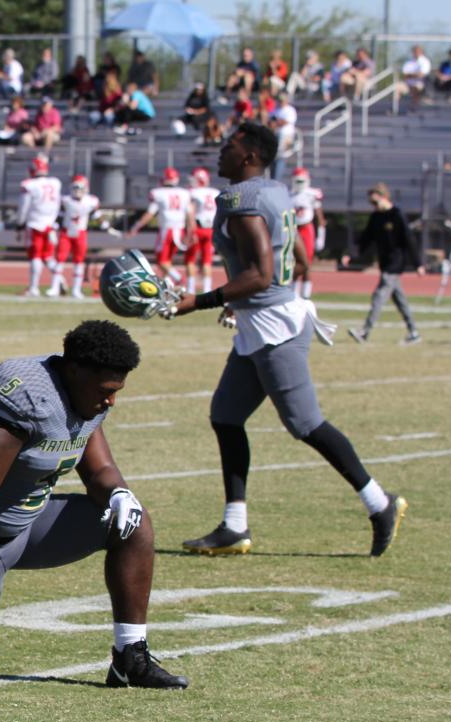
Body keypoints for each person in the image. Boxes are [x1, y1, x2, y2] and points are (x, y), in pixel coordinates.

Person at [0, 321, 186, 691]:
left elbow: (101, 469)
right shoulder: (26, 396)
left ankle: (130, 657)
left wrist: (119, 494)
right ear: (74, 371)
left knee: (133, 525)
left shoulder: (86, 396)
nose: (111, 401)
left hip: (29, 526)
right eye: (106, 390)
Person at [163, 122, 408, 558]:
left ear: (250, 156)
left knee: (305, 424)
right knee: (226, 415)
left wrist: (199, 300)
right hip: (261, 321)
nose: (220, 150)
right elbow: (299, 259)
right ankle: (234, 526)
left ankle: (379, 502)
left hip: (275, 327)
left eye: (230, 145)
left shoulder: (244, 200)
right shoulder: (272, 191)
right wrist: (240, 297)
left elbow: (259, 273)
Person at [342, 183, 423, 345]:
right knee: (400, 301)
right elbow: (366, 239)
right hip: (384, 263)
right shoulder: (376, 217)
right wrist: (351, 256)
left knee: (378, 297)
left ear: (384, 197)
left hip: (395, 264)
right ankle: (414, 332)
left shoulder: (396, 215)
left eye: (375, 202)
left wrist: (417, 264)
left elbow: (409, 241)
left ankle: (365, 331)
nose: (374, 206)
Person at [128, 167, 188, 286]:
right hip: (180, 229)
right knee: (167, 260)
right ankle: (167, 286)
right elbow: (190, 213)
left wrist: (136, 226)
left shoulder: (159, 193)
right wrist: (191, 231)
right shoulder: (184, 193)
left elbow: (150, 213)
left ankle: (178, 278)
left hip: (167, 230)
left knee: (161, 260)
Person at [17, 155, 62, 297]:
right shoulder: (55, 183)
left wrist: (19, 223)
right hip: (51, 224)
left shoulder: (29, 185)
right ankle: (58, 280)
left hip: (35, 224)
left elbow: (23, 207)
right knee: (48, 256)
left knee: (35, 256)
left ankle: (34, 287)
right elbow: (57, 204)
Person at [49, 175, 99, 298]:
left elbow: (97, 215)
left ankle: (76, 289)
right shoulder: (65, 200)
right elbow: (58, 216)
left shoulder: (90, 201)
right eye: (75, 187)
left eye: (80, 187)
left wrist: (107, 226)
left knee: (79, 261)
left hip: (81, 232)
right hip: (66, 232)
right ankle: (54, 287)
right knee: (59, 259)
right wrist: (53, 228)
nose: (77, 190)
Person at [290, 167, 325, 298]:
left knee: (306, 262)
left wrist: (321, 235)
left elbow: (319, 217)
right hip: (293, 229)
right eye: (297, 181)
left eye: (301, 181)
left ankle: (305, 294)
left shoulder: (312, 194)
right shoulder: (289, 194)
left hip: (306, 229)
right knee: (292, 262)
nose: (299, 184)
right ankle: (293, 292)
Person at [185, 167, 220, 295]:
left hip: (198, 228)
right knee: (207, 260)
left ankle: (190, 288)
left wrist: (190, 230)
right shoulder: (215, 192)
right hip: (211, 229)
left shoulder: (193, 193)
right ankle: (207, 288)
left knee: (190, 259)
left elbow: (190, 212)